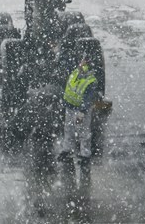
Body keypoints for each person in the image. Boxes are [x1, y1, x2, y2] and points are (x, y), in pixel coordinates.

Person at [58, 54, 97, 207]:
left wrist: (82, 111)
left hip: (81, 110)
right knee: (68, 130)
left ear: (87, 63)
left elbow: (88, 97)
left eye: (83, 61)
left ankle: (85, 154)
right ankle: (66, 150)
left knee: (83, 133)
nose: (80, 63)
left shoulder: (90, 80)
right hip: (70, 106)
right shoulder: (76, 71)